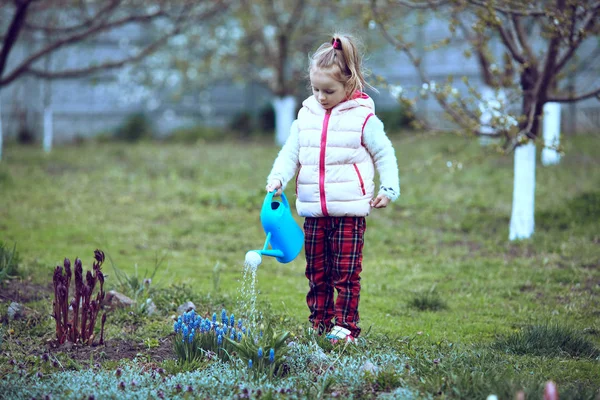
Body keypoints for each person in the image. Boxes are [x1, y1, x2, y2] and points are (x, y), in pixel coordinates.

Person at [265, 33, 400, 342]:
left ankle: (346, 327)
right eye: (316, 89)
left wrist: (389, 188)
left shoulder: (363, 117)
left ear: (349, 85)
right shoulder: (305, 116)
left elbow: (384, 153)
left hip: (350, 211)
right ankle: (320, 324)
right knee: (317, 273)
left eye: (329, 90)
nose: (321, 97)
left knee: (346, 273)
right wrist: (277, 178)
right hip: (314, 210)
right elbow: (290, 152)